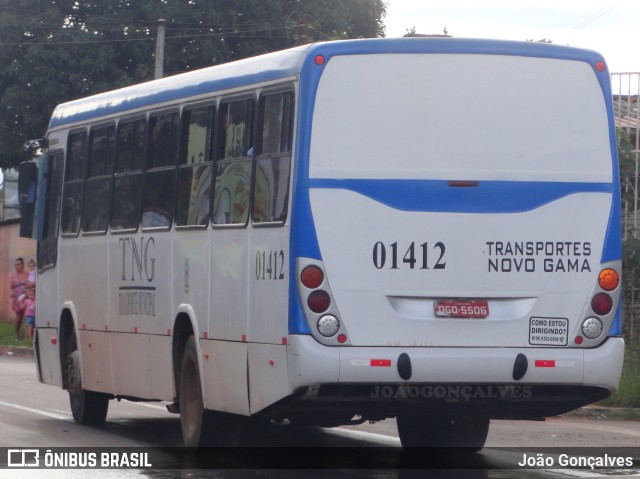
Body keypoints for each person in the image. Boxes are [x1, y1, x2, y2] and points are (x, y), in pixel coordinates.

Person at [9, 257, 29, 339]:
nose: (17, 266)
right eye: (15, 265)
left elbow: (31, 284)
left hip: (27, 298)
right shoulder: (12, 275)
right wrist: (11, 292)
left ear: (22, 265)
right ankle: (16, 333)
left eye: (18, 264)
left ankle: (27, 336)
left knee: (27, 317)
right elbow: (10, 287)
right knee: (18, 319)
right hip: (17, 299)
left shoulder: (27, 274)